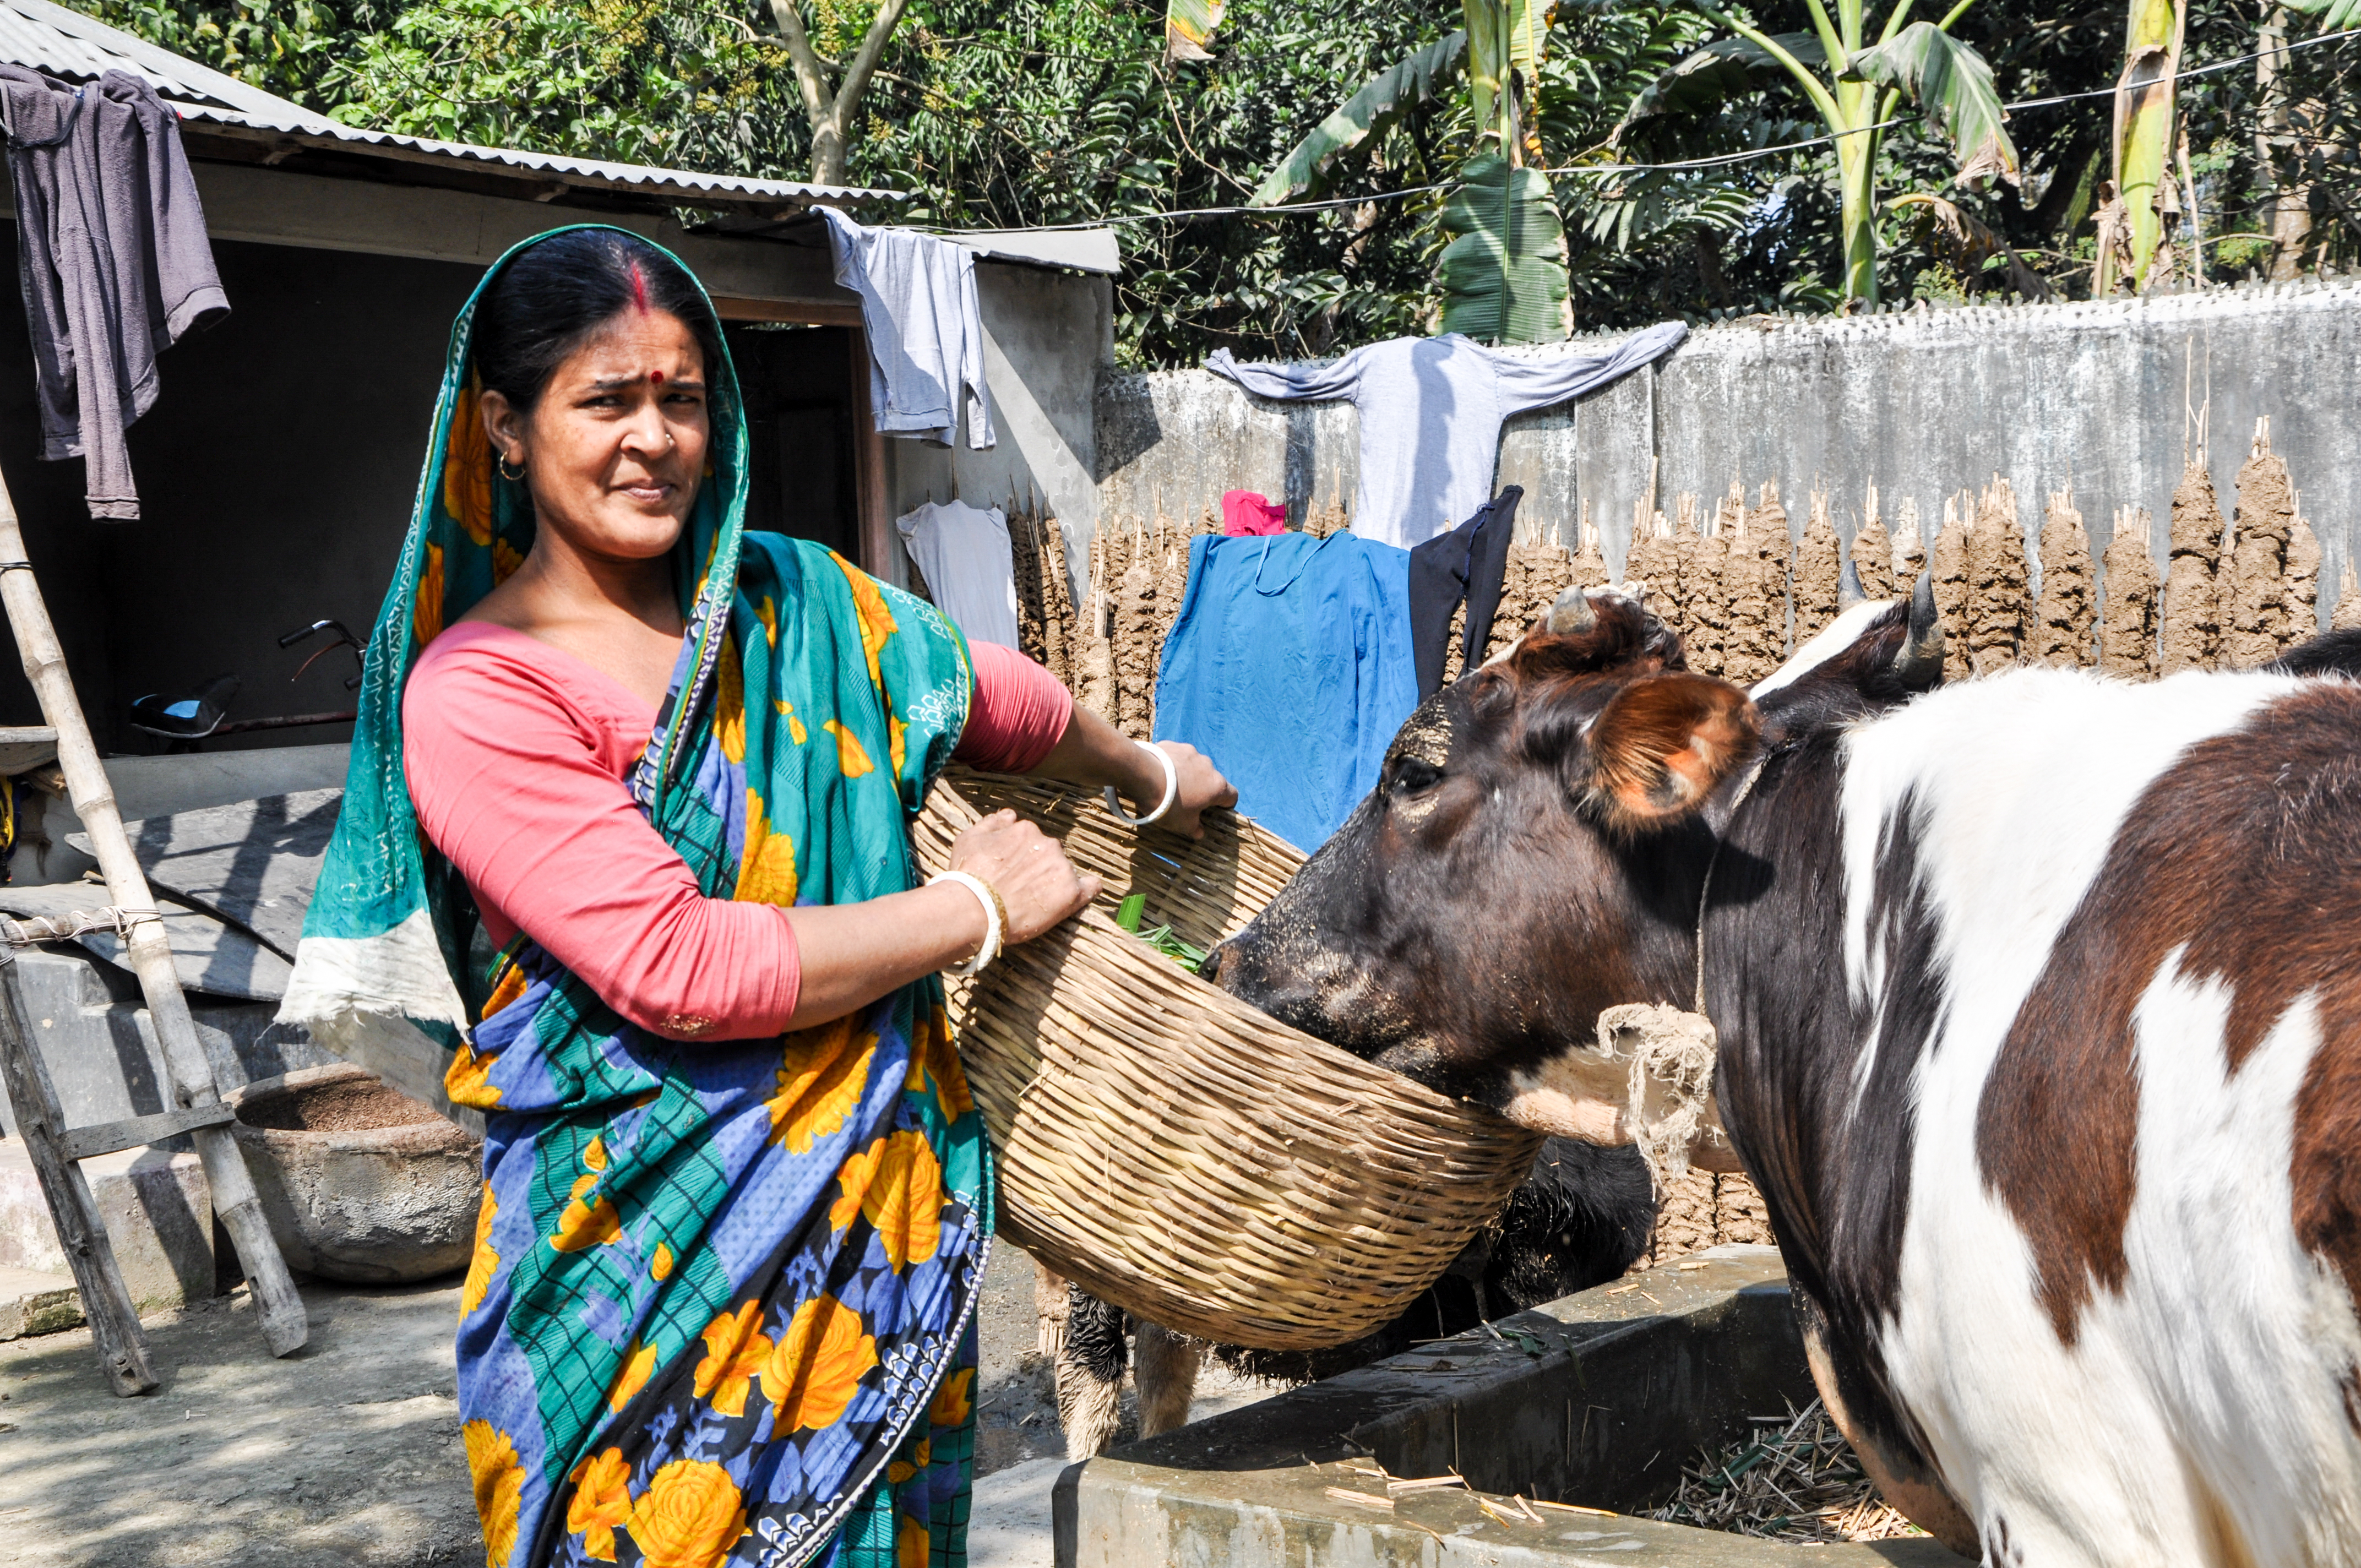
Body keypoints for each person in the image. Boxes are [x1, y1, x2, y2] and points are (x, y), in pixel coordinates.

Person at [282, 225, 1232, 1568]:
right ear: (505, 423)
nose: (653, 438)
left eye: (681, 397)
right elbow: (676, 961)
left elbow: (985, 694)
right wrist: (971, 907)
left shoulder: (798, 602)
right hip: (636, 1278)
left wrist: (1145, 774)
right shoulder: (482, 691)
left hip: (869, 1239)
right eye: (604, 400)